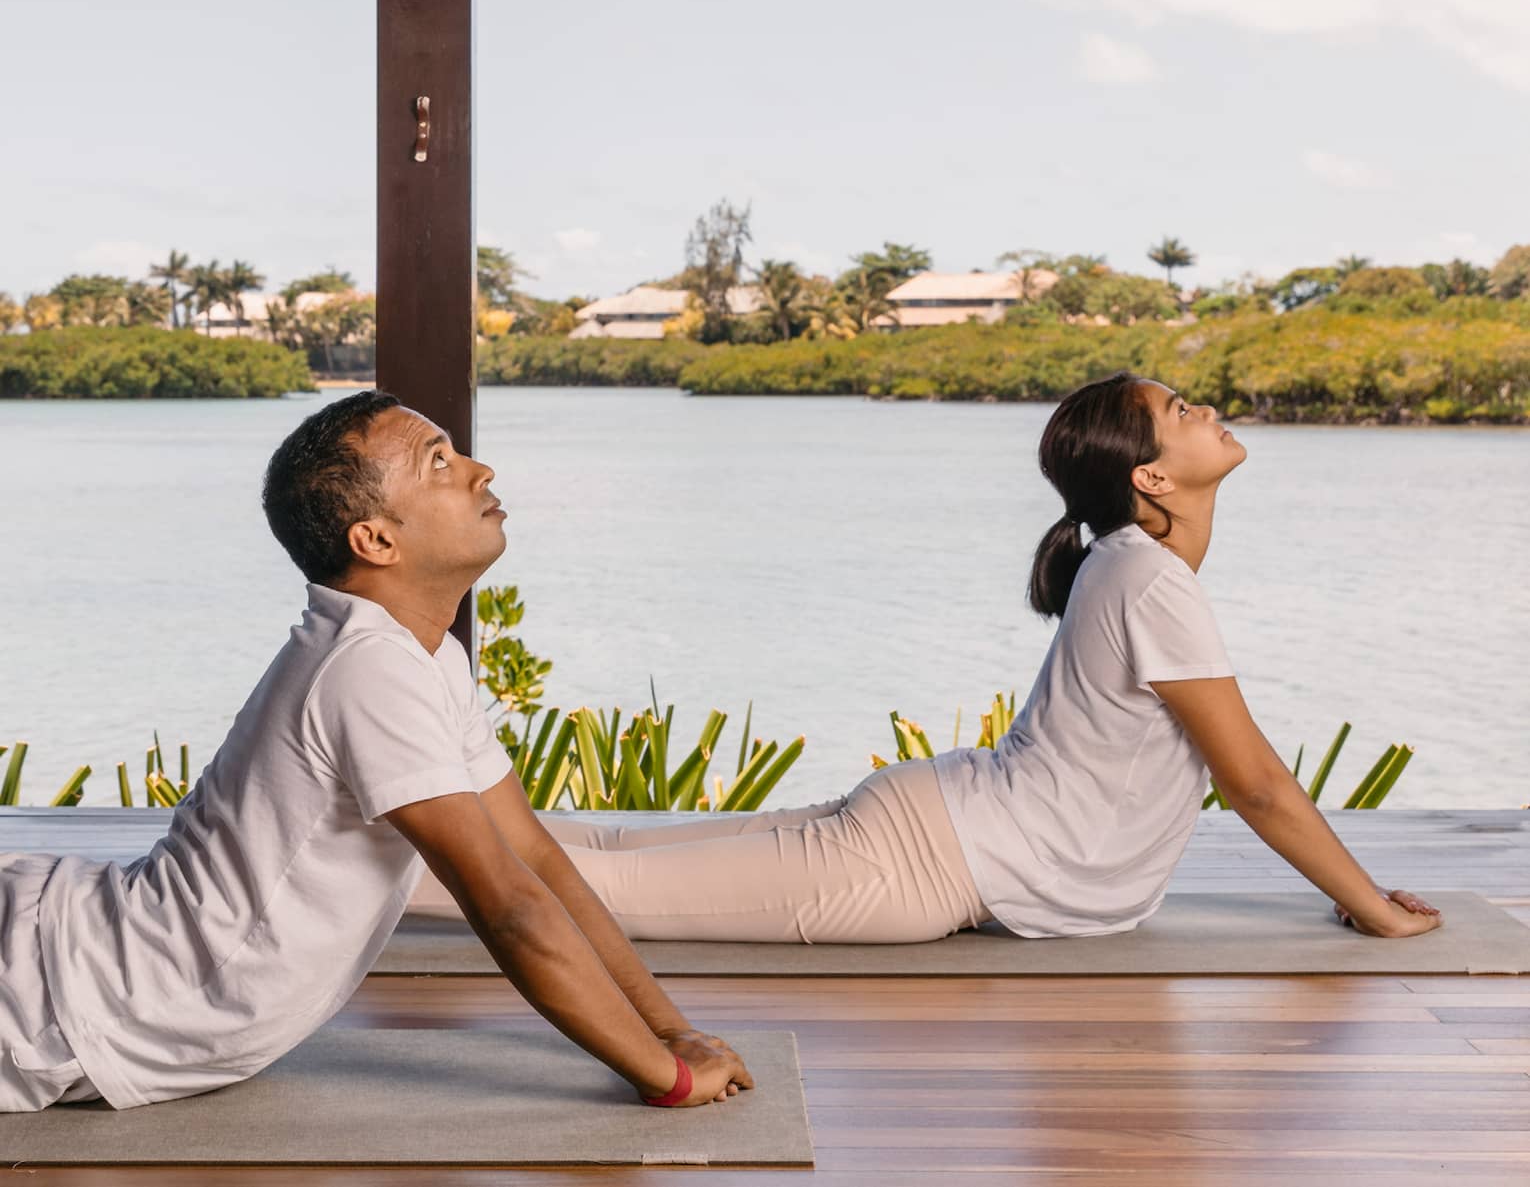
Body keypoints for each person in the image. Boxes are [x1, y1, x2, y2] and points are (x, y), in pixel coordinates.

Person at [0, 391, 751, 1115]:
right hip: (57, 997)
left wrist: (668, 1028)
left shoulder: (420, 657)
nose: (479, 470)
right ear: (377, 539)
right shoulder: (367, 668)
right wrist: (668, 1078)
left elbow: (536, 859)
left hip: (71, 962)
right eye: (437, 462)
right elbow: (506, 905)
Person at [537, 372, 1444, 948]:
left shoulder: (1126, 565)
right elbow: (1255, 784)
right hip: (931, 858)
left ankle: (407, 839)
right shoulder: (1151, 580)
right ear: (1152, 479)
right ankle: (400, 863)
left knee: (613, 854)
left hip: (938, 826)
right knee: (601, 888)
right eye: (1179, 409)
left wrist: (1356, 892)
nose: (1203, 407)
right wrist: (1367, 903)